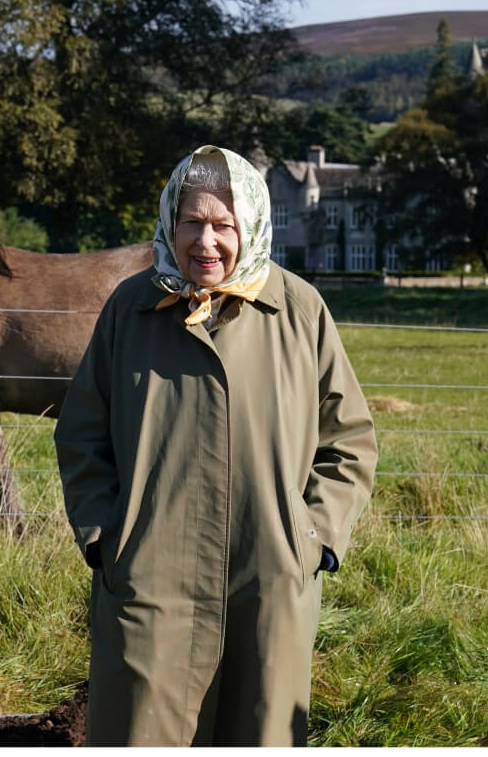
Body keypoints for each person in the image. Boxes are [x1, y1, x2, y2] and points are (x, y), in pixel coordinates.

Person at [54, 145, 376, 746]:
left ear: (250, 225)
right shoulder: (131, 307)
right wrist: (106, 538)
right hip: (149, 578)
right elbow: (81, 432)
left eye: (223, 225)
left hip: (270, 575)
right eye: (192, 222)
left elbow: (349, 439)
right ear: (169, 223)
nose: (206, 241)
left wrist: (314, 540)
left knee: (259, 729)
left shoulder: (299, 310)